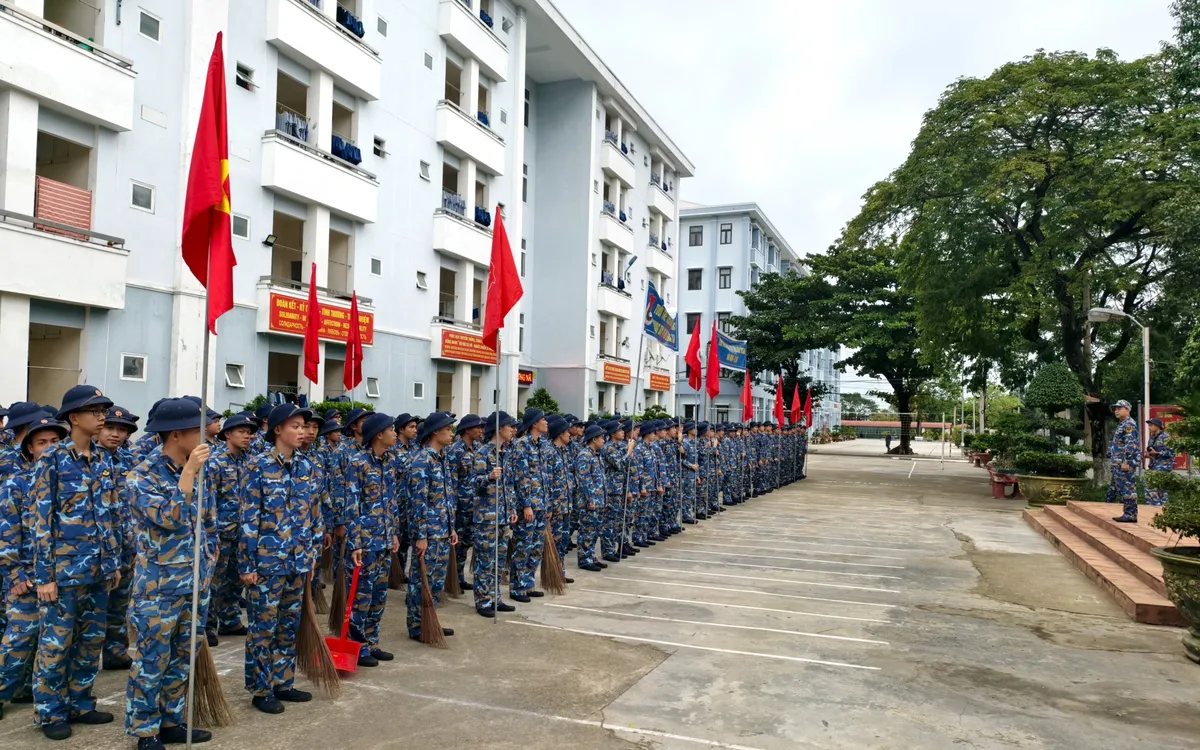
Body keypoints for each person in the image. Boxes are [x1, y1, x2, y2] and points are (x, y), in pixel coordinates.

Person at [124, 398, 217, 749]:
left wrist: (210, 557)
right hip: (158, 587)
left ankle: (171, 720)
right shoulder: (140, 475)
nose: (205, 436)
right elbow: (170, 517)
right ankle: (145, 732)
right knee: (151, 662)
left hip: (195, 583)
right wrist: (188, 473)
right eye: (197, 430)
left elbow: (208, 521)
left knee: (182, 660)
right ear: (176, 435)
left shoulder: (204, 470)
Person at [30, 385, 122, 739]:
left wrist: (112, 563)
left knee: (90, 642)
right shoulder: (51, 460)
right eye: (95, 411)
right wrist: (44, 577)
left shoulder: (104, 459)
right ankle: (50, 713)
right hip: (63, 573)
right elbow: (40, 521)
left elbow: (110, 513)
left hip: (98, 570)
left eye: (103, 410)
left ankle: (80, 702)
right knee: (56, 644)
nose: (102, 417)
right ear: (73, 418)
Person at [239, 404, 324, 715]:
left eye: (304, 426)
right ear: (277, 430)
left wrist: (313, 552)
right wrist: (247, 565)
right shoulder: (257, 467)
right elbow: (248, 519)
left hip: (298, 560)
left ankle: (283, 682)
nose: (303, 431)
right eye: (296, 426)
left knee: (288, 625)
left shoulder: (308, 467)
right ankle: (261, 689)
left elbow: (315, 515)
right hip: (267, 562)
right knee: (263, 628)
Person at [0, 411, 66, 720]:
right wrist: (14, 574)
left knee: (50, 642)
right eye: (42, 442)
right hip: (24, 575)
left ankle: (30, 691)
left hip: (58, 574)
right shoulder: (16, 482)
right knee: (19, 640)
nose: (49, 447)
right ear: (30, 448)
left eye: (55, 441)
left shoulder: (67, 478)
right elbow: (6, 531)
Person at [344, 413, 401, 666]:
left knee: (379, 595)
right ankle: (358, 646)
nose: (395, 433)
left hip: (385, 539)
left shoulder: (390, 461)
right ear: (378, 434)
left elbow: (392, 502)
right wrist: (355, 542)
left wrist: (395, 532)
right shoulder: (357, 463)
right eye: (391, 429)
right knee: (361, 597)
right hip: (365, 542)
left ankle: (372, 641)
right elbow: (352, 506)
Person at [405, 412, 458, 640]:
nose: (451, 433)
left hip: (442, 531)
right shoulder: (421, 461)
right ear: (435, 432)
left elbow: (444, 497)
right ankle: (417, 626)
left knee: (436, 582)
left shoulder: (441, 458)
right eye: (447, 429)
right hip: (428, 534)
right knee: (420, 581)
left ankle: (430, 619)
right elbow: (417, 502)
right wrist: (420, 535)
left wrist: (451, 527)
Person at [205, 414, 257, 640]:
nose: (247, 436)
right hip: (221, 532)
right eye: (241, 432)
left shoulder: (251, 460)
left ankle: (230, 619)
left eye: (249, 432)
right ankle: (207, 624)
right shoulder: (215, 461)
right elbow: (208, 500)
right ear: (227, 434)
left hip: (244, 531)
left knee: (237, 578)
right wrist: (211, 532)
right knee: (214, 580)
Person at [96, 406, 140, 670]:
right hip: (98, 549)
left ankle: (116, 652)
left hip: (126, 546)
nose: (115, 434)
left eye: (122, 429)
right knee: (95, 608)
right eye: (110, 428)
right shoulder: (89, 459)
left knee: (120, 603)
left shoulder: (128, 461)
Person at [471, 412, 518, 618]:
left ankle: (495, 597)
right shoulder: (482, 453)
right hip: (487, 517)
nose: (512, 430)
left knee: (499, 561)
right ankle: (483, 600)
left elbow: (509, 486)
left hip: (503, 516)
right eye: (509, 426)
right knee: (485, 560)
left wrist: (512, 509)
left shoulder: (505, 453)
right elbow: (473, 484)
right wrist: (488, 478)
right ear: (499, 429)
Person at [510, 409, 548, 602]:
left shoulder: (541, 444)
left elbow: (543, 477)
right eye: (543, 420)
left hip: (541, 504)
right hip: (528, 505)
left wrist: (546, 505)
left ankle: (529, 583)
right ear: (534, 424)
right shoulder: (522, 445)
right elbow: (521, 476)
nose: (546, 423)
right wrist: (526, 504)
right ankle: (517, 587)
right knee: (523, 546)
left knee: (536, 547)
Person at [446, 414, 484, 591]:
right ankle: (451, 578)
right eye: (477, 427)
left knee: (467, 542)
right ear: (467, 429)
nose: (480, 431)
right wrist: (452, 507)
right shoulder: (455, 451)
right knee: (457, 543)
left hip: (474, 505)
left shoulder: (478, 448)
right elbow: (452, 482)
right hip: (461, 506)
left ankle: (459, 576)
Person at [575, 424, 608, 572]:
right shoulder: (584, 455)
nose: (603, 441)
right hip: (590, 502)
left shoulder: (596, 455)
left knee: (595, 531)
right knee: (587, 531)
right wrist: (590, 500)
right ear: (594, 439)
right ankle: (584, 559)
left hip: (599, 500)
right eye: (601, 438)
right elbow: (585, 480)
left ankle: (591, 556)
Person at [1108, 400, 1142, 523]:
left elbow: (1131, 444)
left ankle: (1131, 514)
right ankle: (1128, 513)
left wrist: (1126, 461)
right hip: (1118, 462)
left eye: (1119, 408)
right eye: (1115, 408)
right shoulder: (1122, 424)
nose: (1116, 411)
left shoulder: (1129, 424)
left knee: (1128, 488)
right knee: (1123, 488)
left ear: (1127, 409)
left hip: (1125, 463)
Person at [1145, 418, 1175, 506]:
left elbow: (1172, 452)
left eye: (1151, 426)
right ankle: (1155, 507)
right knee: (1151, 487)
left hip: (1164, 467)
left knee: (1159, 489)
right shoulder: (1152, 438)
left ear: (1157, 426)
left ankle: (1159, 507)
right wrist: (1149, 455)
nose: (1149, 428)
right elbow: (1152, 452)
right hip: (1154, 465)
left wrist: (1158, 453)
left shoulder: (1166, 437)